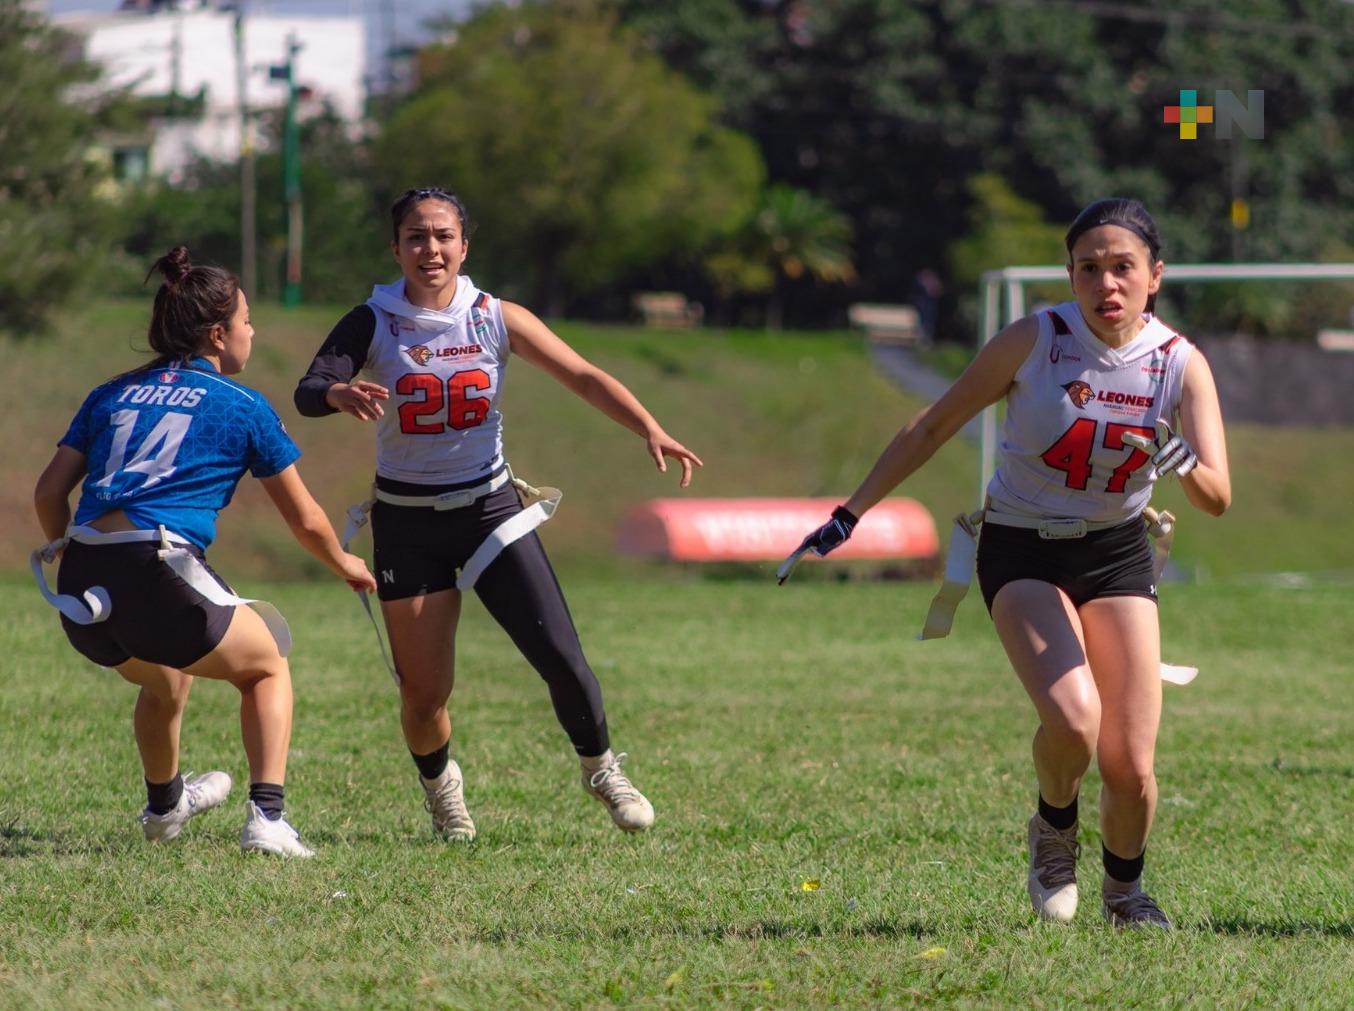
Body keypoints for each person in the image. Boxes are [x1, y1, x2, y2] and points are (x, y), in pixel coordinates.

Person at [781, 198, 1230, 928]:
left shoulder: (1181, 364)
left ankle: (1126, 895)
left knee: (1132, 766)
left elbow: (1217, 496)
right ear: (1070, 275)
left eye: (1123, 267)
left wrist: (1177, 453)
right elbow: (932, 424)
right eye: (1089, 268)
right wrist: (849, 512)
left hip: (1116, 553)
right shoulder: (1036, 338)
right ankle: (1055, 831)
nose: (1106, 283)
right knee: (1075, 718)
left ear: (1155, 275)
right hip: (1023, 545)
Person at [293, 186, 702, 842]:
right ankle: (441, 789)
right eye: (416, 237)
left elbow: (583, 373)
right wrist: (339, 390)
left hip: (489, 511)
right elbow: (308, 389)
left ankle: (601, 767)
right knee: (424, 697)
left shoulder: (494, 315)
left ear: (465, 245)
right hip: (408, 521)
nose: (431, 249)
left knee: (562, 656)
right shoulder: (373, 319)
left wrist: (648, 425)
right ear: (396, 247)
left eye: (443, 236)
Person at [33, 246, 377, 858]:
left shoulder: (110, 393)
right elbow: (304, 519)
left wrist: (64, 547)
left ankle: (166, 809)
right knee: (267, 664)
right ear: (218, 335)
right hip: (156, 566)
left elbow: (48, 491)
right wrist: (347, 563)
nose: (252, 330)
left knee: (166, 680)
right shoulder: (241, 406)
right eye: (246, 320)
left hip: (83, 582)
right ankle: (268, 820)